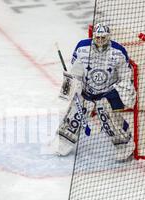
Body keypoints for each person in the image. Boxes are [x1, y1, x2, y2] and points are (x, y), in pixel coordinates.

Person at [53, 23, 136, 161]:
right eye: (98, 37)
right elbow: (76, 72)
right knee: (74, 116)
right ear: (94, 36)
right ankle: (63, 144)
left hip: (107, 93)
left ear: (109, 37)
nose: (100, 40)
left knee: (109, 121)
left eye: (104, 37)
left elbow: (125, 76)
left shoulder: (119, 52)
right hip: (86, 90)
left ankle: (125, 147)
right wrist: (74, 86)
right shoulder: (82, 48)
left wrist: (125, 93)